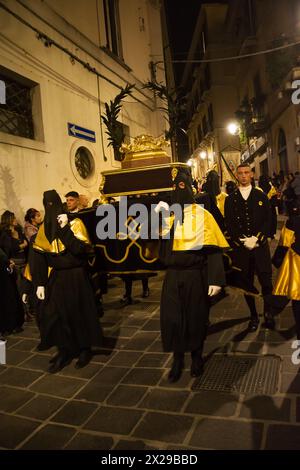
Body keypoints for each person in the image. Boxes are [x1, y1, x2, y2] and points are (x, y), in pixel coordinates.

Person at [156, 169, 229, 383]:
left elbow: (213, 249)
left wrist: (215, 279)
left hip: (194, 275)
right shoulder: (169, 216)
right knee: (173, 318)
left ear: (189, 189)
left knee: (196, 317)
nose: (178, 191)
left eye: (182, 186)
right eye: (174, 187)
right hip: (172, 275)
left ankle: (196, 357)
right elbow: (159, 249)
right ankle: (178, 359)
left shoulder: (202, 215)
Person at [31, 190, 102, 373]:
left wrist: (64, 230)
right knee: (56, 314)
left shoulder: (75, 223)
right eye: (47, 205)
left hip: (76, 275)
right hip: (57, 276)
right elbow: (38, 258)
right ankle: (64, 349)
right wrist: (39, 282)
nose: (51, 209)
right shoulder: (43, 229)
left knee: (79, 312)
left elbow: (80, 250)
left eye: (53, 204)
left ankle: (85, 348)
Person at [224, 163, 275, 332]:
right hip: (242, 250)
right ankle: (253, 315)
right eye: (240, 173)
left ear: (252, 174)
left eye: (247, 172)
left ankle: (268, 313)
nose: (244, 176)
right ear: (236, 176)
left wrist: (257, 238)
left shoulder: (261, 196)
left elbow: (269, 220)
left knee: (266, 281)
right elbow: (229, 224)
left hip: (260, 248)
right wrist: (242, 240)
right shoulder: (230, 199)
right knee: (246, 284)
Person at [273, 206, 300, 338]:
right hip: (297, 261)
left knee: (298, 299)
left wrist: (278, 261)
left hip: (297, 262)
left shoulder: (293, 221)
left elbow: (284, 244)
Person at [0, 248, 24, 336]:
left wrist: (9, 268)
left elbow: (6, 264)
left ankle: (9, 326)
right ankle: (8, 326)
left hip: (5, 282)